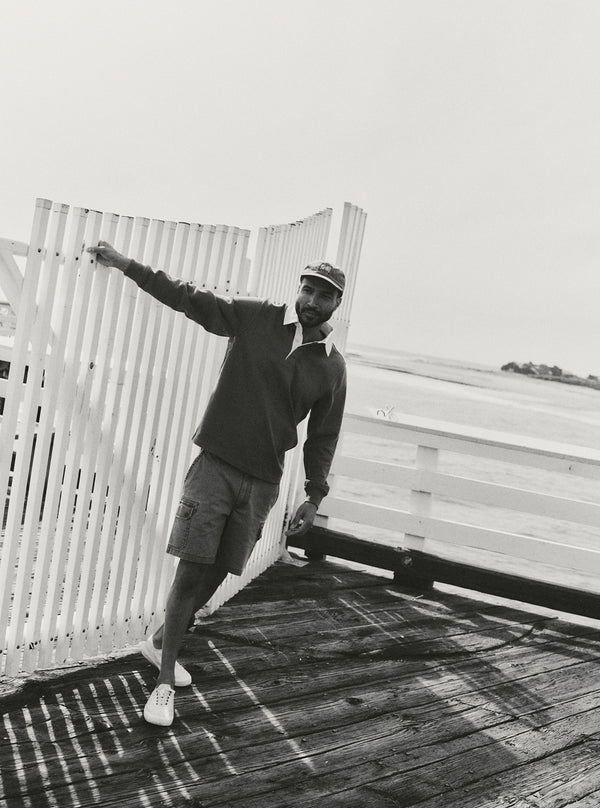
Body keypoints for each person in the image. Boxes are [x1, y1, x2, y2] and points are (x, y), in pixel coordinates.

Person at [87, 241, 347, 726]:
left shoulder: (332, 365)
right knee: (191, 571)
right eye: (307, 288)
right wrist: (127, 266)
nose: (311, 300)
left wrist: (314, 495)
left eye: (323, 295)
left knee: (221, 571)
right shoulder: (256, 319)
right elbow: (188, 298)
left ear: (337, 303)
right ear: (299, 289)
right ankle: (163, 684)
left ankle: (160, 643)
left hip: (265, 481)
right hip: (217, 467)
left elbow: (323, 436)